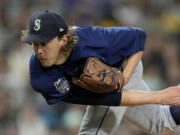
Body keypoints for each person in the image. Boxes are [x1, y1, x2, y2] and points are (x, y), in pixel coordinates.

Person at [21, 10, 180, 135]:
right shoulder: (40, 76)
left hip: (124, 65)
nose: (39, 50)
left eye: (44, 43)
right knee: (160, 121)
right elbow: (105, 98)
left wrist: (124, 79)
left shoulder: (91, 39)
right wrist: (159, 97)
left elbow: (138, 36)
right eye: (35, 43)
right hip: (104, 91)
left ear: (63, 39)